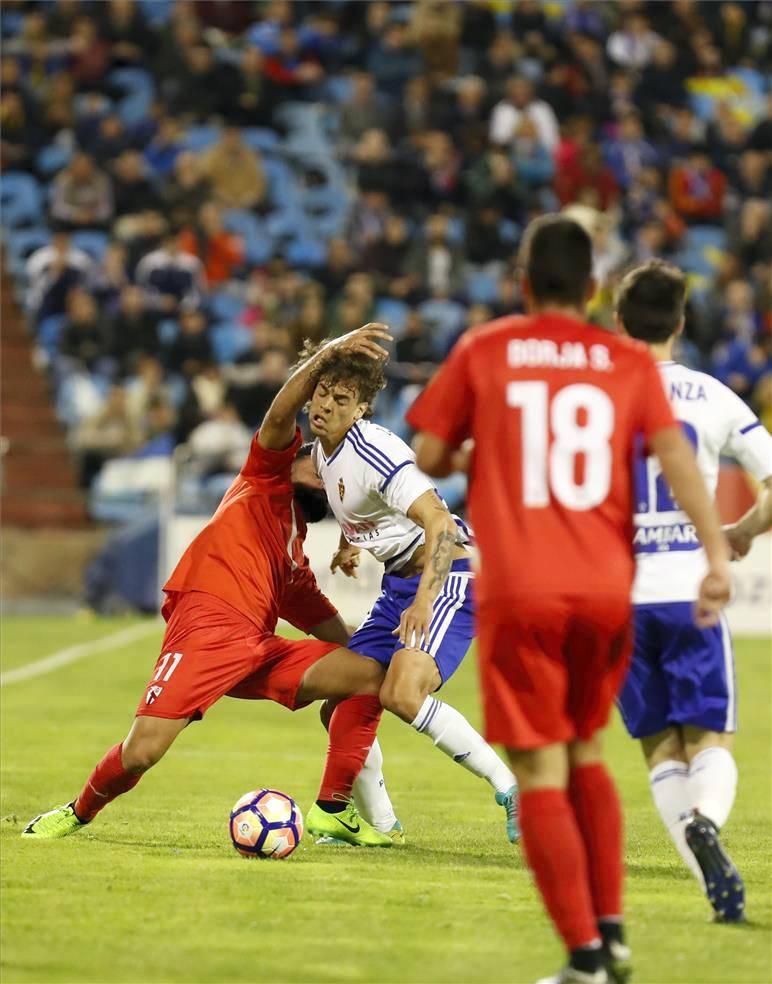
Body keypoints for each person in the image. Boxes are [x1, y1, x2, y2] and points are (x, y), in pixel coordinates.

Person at [407, 215, 732, 984]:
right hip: (604, 591)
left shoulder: (485, 349)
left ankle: (585, 958)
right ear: (592, 290)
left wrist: (469, 448)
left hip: (523, 590)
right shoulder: (624, 362)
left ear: (522, 282)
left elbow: (427, 454)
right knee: (588, 753)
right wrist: (716, 552)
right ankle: (612, 935)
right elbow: (677, 456)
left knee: (541, 769)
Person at [22, 326, 400, 849]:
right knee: (143, 752)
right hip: (207, 628)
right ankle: (78, 811)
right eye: (315, 455)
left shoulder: (294, 555)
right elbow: (277, 416)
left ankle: (333, 811)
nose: (322, 460)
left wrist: (370, 642)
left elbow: (321, 619)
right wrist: (331, 354)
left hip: (257, 647)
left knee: (370, 675)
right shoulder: (263, 476)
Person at [304, 343, 519, 845]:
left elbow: (441, 524)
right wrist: (346, 545)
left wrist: (425, 599)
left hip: (449, 579)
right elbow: (355, 504)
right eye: (320, 393)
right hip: (399, 584)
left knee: (402, 694)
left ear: (362, 410)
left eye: (341, 399)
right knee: (339, 706)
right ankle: (381, 828)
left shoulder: (376, 451)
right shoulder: (322, 449)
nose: (325, 406)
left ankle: (510, 786)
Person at [614, 260, 772, 922]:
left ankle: (714, 883)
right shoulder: (712, 397)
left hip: (617, 597)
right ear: (681, 322)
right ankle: (708, 822)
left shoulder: (596, 400)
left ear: (619, 323)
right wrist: (738, 531)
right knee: (710, 743)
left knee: (660, 749)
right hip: (690, 586)